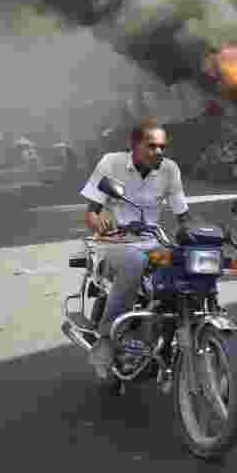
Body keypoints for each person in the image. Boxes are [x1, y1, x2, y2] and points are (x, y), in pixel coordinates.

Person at [79, 116, 192, 379]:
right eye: (152, 146)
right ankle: (107, 337)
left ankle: (173, 331)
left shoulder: (170, 170)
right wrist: (100, 224)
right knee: (134, 260)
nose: (159, 152)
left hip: (153, 241)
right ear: (134, 144)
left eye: (162, 147)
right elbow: (90, 214)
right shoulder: (110, 163)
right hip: (114, 243)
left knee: (187, 268)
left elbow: (183, 215)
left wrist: (201, 235)